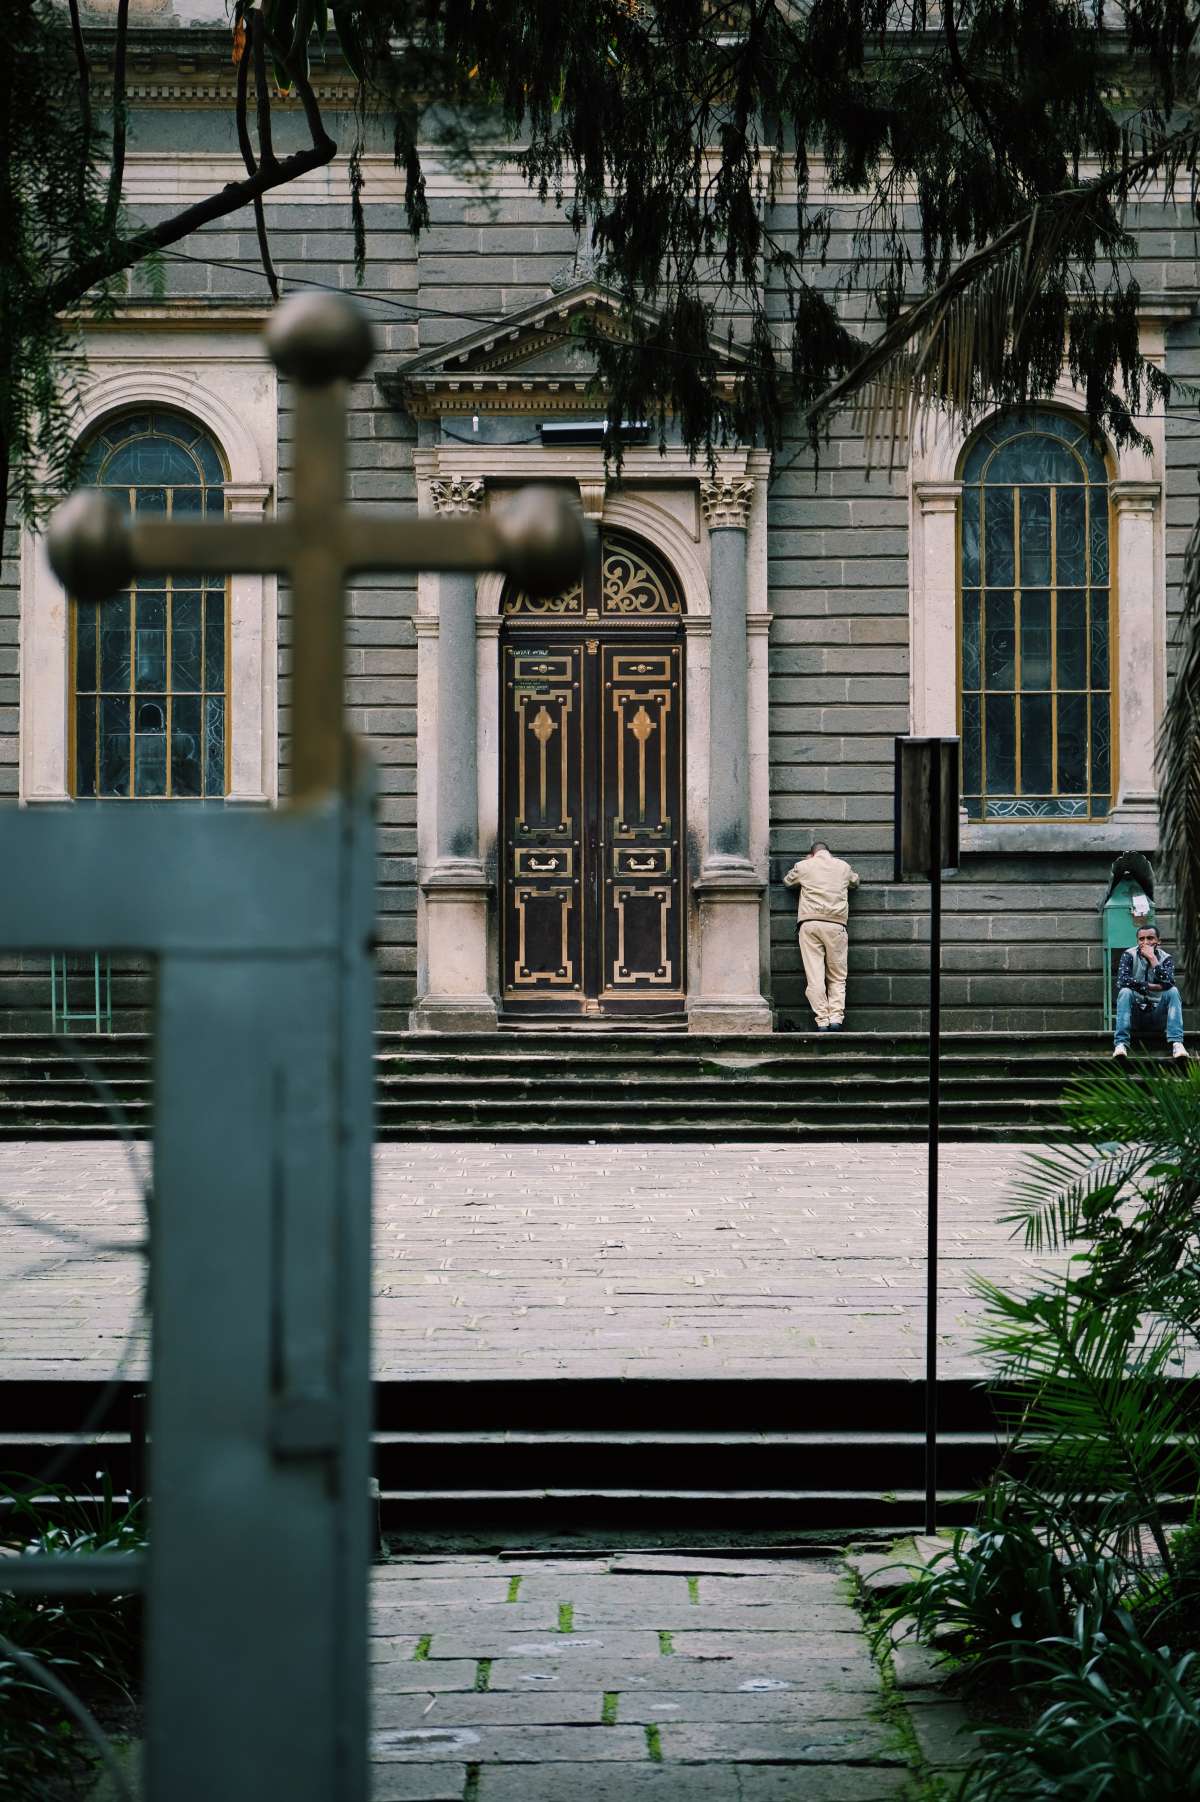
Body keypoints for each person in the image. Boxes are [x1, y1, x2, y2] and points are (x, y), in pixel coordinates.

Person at [784, 841, 860, 1032]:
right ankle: (836, 1019)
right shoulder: (843, 867)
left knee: (815, 976)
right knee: (837, 976)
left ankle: (822, 1021)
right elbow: (855, 882)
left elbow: (787, 881)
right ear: (828, 852)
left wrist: (807, 863)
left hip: (810, 924)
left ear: (812, 853)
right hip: (836, 925)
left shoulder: (804, 866)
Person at [1113, 923, 1187, 1059]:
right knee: (1125, 992)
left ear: (1159, 941)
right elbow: (1123, 981)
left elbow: (1169, 983)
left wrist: (1153, 959)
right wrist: (1152, 986)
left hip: (1158, 1015)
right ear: (1137, 941)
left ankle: (1177, 1044)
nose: (1145, 942)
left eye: (1150, 938)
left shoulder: (1166, 958)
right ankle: (1121, 1044)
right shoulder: (1129, 955)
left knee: (1173, 991)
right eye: (1141, 939)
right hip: (1135, 1015)